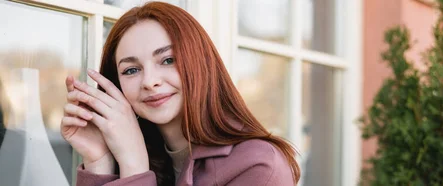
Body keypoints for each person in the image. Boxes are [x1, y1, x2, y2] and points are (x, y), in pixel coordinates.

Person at [60, 2, 300, 185]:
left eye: (168, 60)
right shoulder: (141, 156)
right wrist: (100, 160)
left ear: (200, 63)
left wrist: (135, 168)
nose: (150, 81)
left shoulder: (258, 164)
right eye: (131, 70)